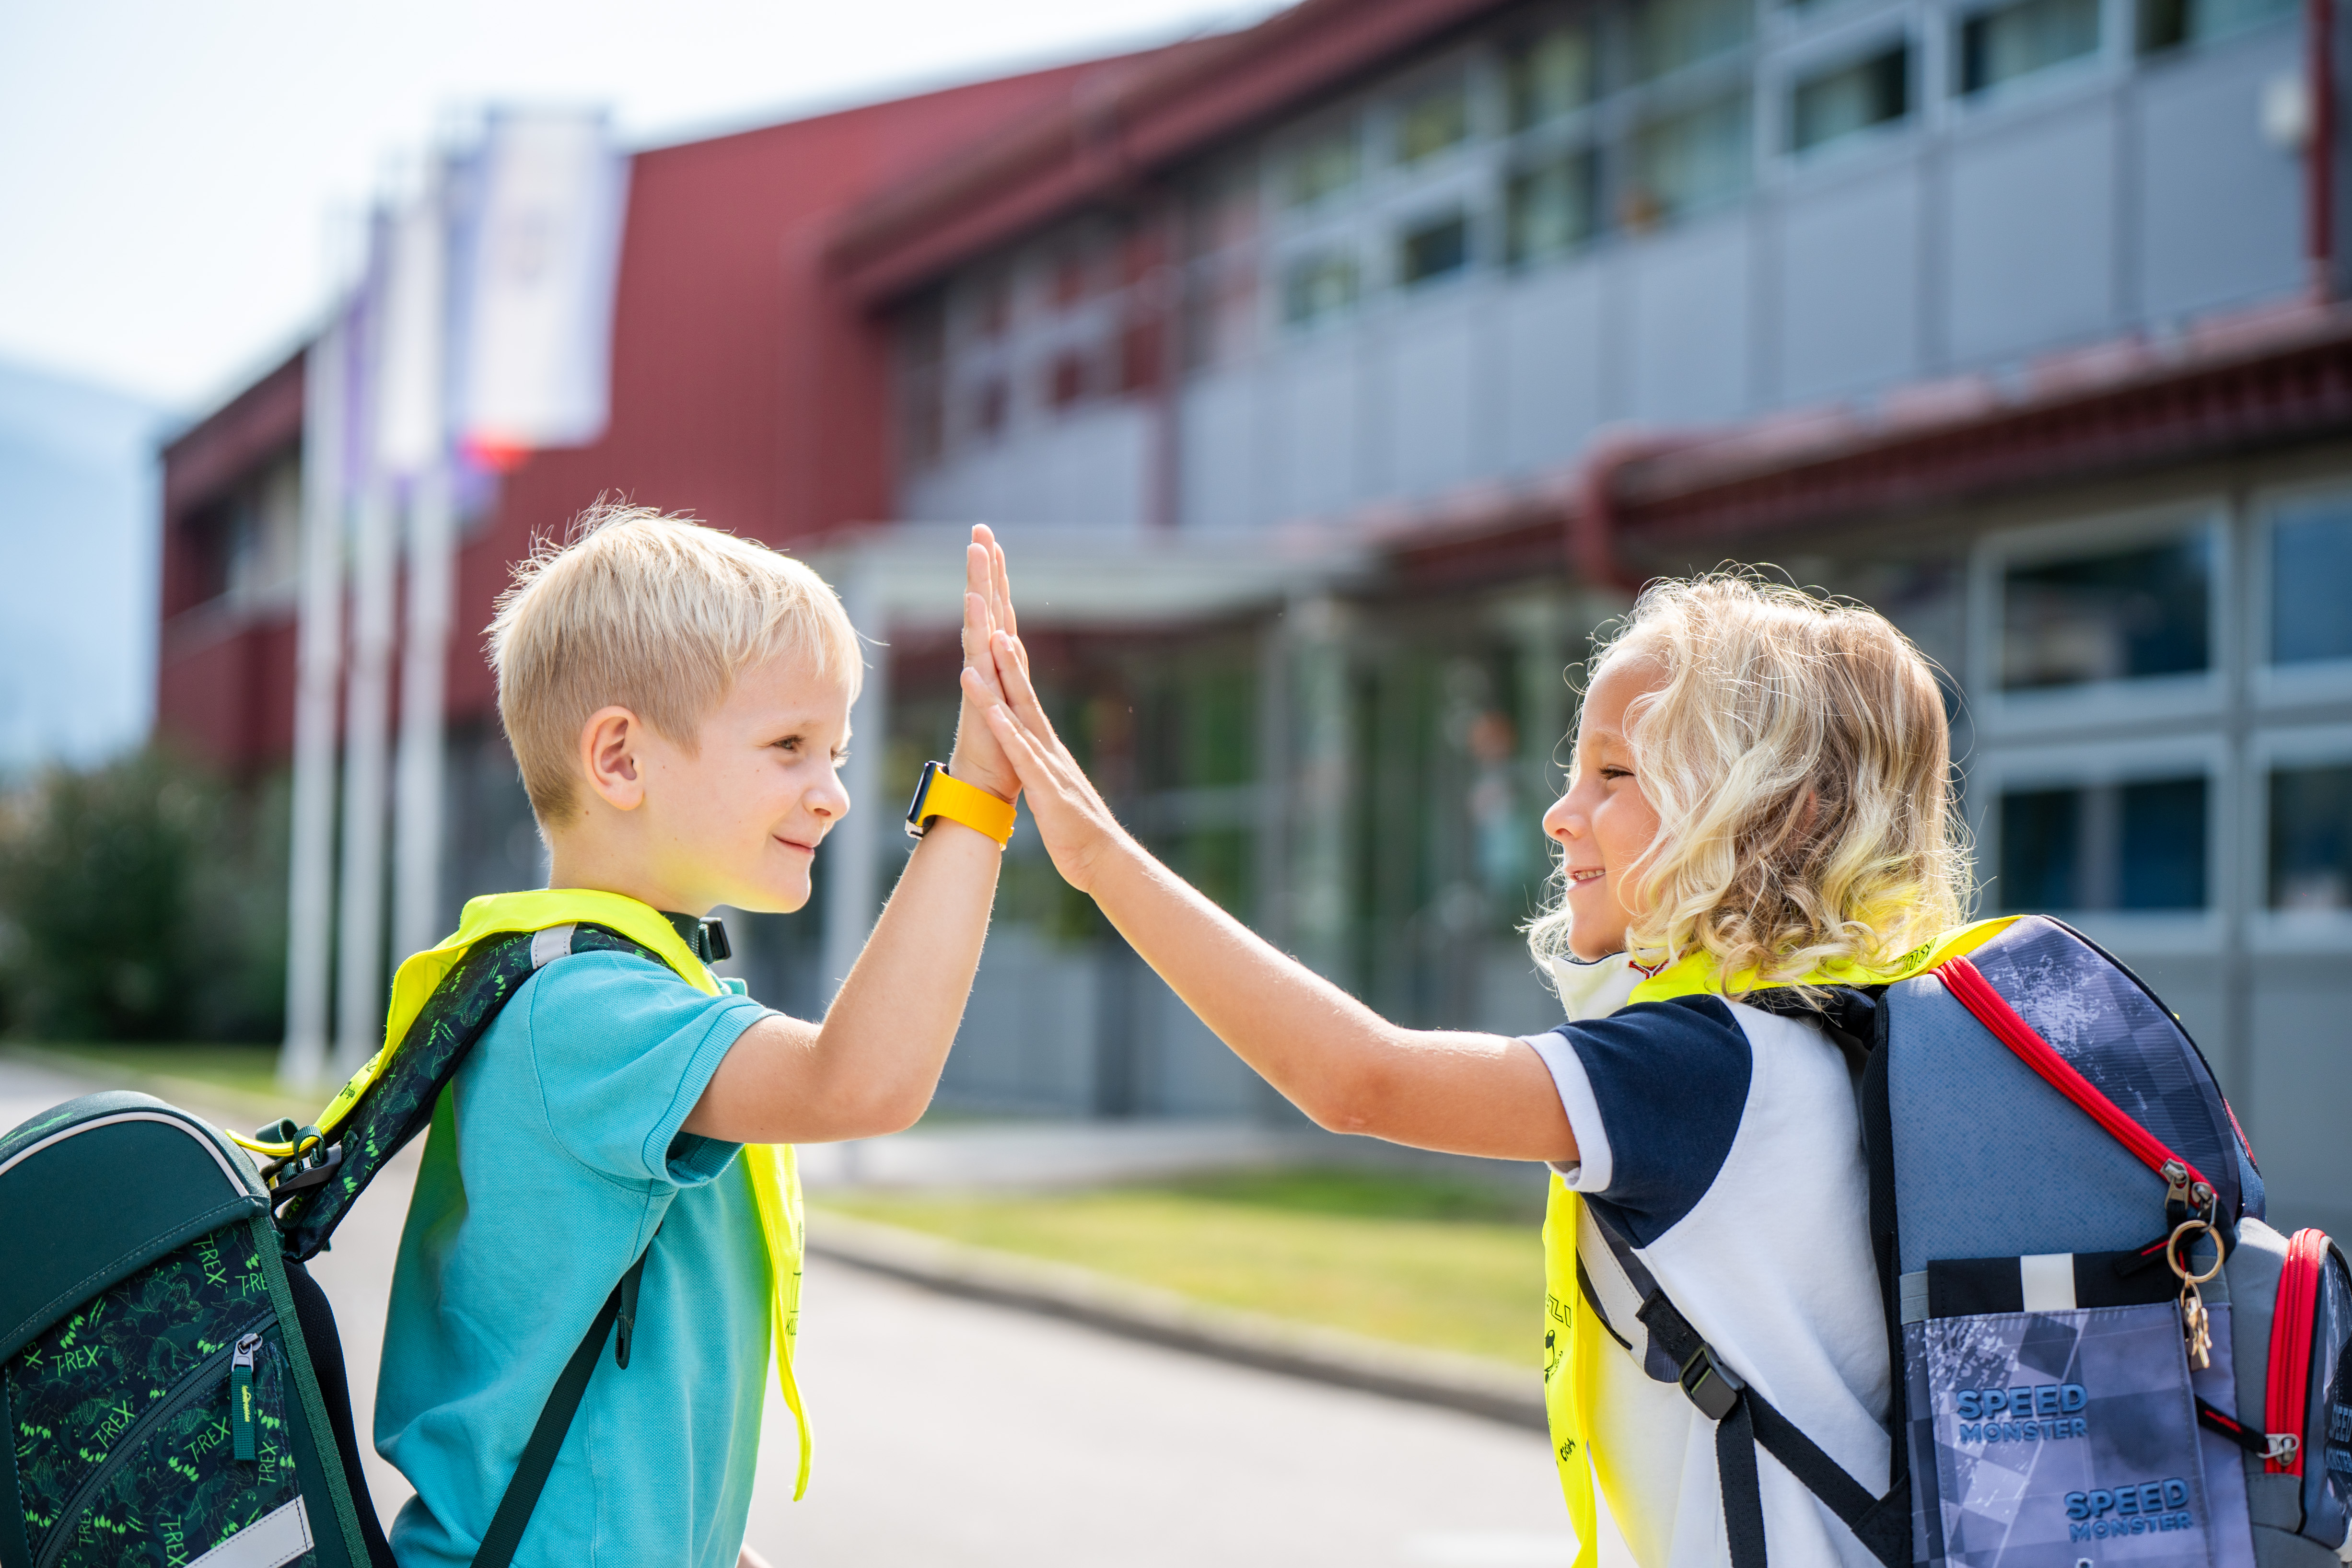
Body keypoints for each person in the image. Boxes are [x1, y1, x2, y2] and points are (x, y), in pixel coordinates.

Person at [962, 567, 1976, 1568]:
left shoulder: (1705, 1070)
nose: (1560, 813)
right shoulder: (1867, 1035)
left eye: (1614, 775)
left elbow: (1359, 1080)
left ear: (1779, 812)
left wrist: (1094, 852)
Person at [376, 505, 1024, 1568]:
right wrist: (977, 797)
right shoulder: (586, 1013)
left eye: (836, 751)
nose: (832, 791)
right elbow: (858, 1082)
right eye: (788, 747)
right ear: (621, 760)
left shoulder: (620, 989)